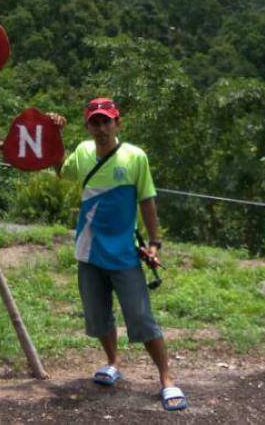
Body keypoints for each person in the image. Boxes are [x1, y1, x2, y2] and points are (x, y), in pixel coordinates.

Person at [49, 97, 187, 412]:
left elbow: (147, 200)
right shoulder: (83, 153)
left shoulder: (135, 157)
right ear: (88, 125)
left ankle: (166, 379)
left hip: (124, 251)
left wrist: (155, 242)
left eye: (106, 121)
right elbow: (61, 171)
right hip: (88, 249)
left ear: (117, 123)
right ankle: (112, 362)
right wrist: (54, 135)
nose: (101, 128)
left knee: (141, 317)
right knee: (98, 315)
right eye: (95, 122)